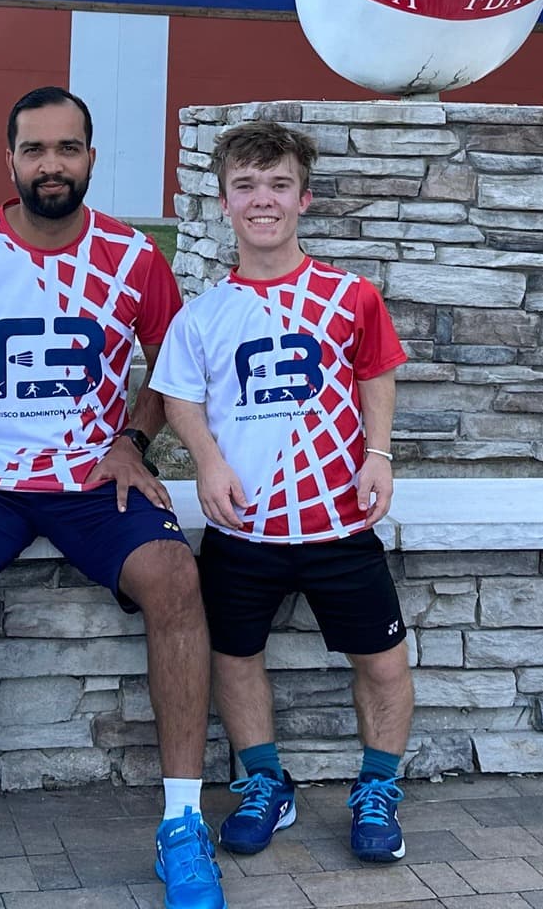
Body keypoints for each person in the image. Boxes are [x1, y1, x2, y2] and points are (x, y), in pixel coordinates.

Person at [0, 86, 225, 909]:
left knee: (176, 578)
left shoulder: (134, 255)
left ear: (91, 159)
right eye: (34, 150)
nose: (51, 165)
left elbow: (171, 368)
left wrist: (132, 441)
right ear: (10, 161)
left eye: (67, 149)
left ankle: (183, 824)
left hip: (92, 480)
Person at [151, 120, 414, 864]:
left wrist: (379, 453)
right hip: (245, 530)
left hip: (339, 520)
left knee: (384, 664)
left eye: (276, 184)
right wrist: (206, 462)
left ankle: (378, 789)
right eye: (245, 186)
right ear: (224, 200)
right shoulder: (202, 315)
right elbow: (181, 398)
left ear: (304, 196)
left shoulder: (350, 296)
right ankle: (266, 783)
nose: (261, 199)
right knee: (234, 658)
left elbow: (376, 372)